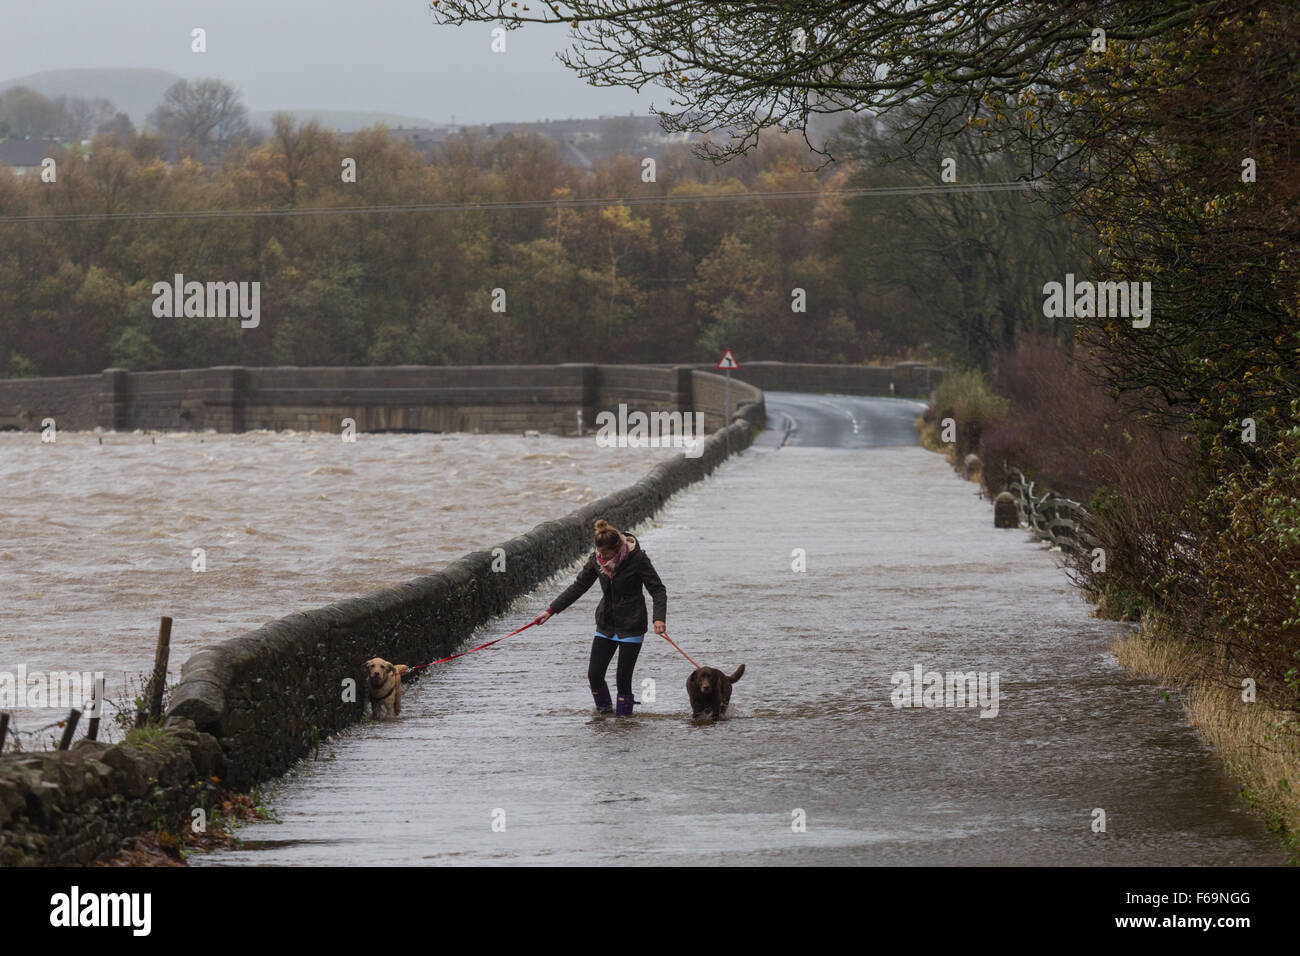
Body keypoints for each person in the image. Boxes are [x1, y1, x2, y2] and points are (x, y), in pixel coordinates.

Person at [534, 518, 667, 716]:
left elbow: (658, 590)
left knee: (623, 680)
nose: (602, 557)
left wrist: (659, 619)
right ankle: (603, 716)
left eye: (606, 554)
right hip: (606, 623)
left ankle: (624, 721)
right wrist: (551, 610)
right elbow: (578, 587)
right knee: (594, 675)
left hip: (632, 624)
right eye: (599, 553)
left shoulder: (637, 559)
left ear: (618, 547)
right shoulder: (597, 560)